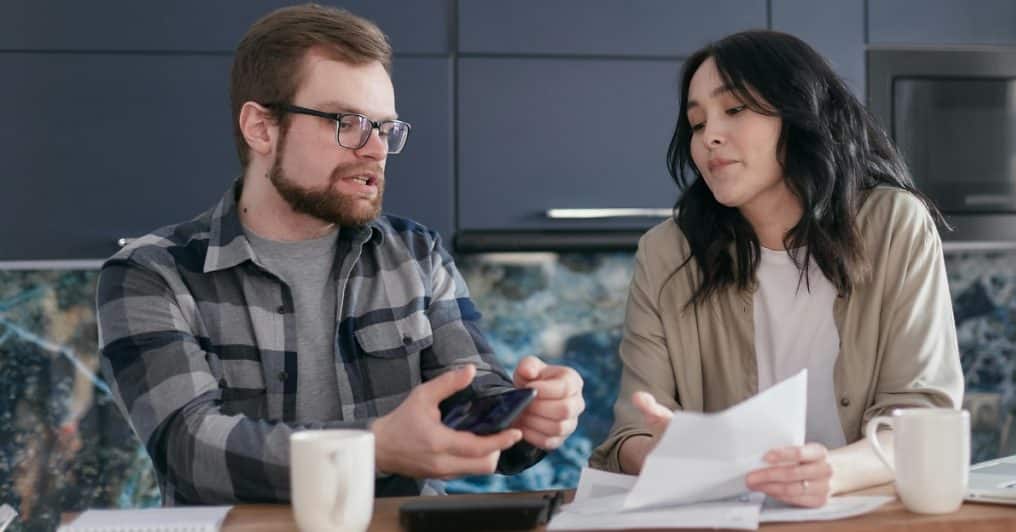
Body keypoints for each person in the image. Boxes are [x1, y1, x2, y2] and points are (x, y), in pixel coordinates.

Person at [96, 4, 584, 505]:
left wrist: (526, 415)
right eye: (347, 122)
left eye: (385, 128)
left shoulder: (416, 254)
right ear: (261, 128)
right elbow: (188, 448)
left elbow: (470, 393)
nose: (375, 149)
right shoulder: (150, 273)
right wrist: (372, 449)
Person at [590, 30, 964, 508]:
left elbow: (923, 415)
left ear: (799, 111)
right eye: (697, 123)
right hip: (725, 517)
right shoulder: (667, 252)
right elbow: (632, 435)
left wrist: (832, 472)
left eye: (734, 110)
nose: (710, 138)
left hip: (863, 514)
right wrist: (667, 454)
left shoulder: (892, 224)